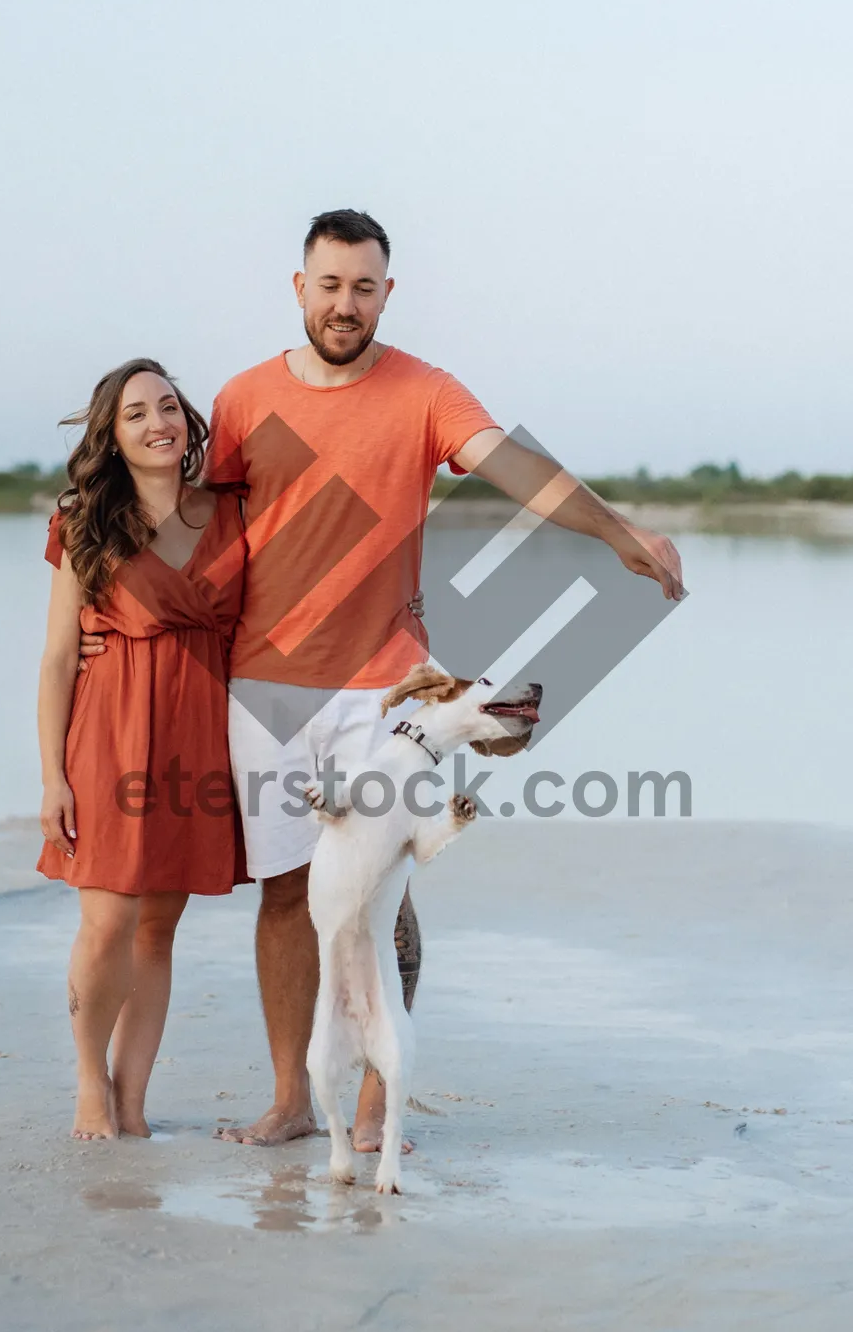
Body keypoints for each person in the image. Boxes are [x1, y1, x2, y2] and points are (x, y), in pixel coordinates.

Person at [81, 210, 683, 1150]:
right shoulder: (243, 401)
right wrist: (98, 624)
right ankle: (291, 1096)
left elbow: (516, 467)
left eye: (364, 286)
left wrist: (618, 533)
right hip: (265, 686)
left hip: (388, 691)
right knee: (286, 894)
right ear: (299, 289)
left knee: (385, 895)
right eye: (329, 285)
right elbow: (171, 510)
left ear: (386, 293)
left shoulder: (424, 392)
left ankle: (374, 1097)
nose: (345, 303)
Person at [37, 357, 245, 1140]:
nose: (158, 422)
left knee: (159, 926)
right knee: (107, 922)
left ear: (190, 422)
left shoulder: (235, 515)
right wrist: (52, 775)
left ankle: (133, 1095)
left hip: (199, 734)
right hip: (110, 731)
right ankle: (91, 1078)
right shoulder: (84, 522)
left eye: (169, 406)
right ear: (113, 436)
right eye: (136, 413)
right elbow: (58, 658)